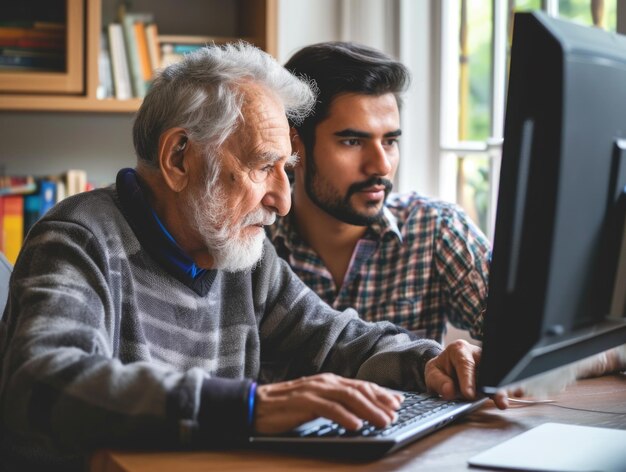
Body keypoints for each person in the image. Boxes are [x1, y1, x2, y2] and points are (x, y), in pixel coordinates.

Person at [0, 42, 507, 471]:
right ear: (180, 158)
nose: (283, 200)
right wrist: (250, 408)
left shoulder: (240, 254)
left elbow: (338, 341)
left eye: (287, 169)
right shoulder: (77, 239)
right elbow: (45, 381)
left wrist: (430, 362)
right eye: (265, 166)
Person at [268, 41, 489, 342]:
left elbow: (526, 336)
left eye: (389, 141)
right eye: (353, 142)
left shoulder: (436, 229)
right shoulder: (253, 245)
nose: (381, 166)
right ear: (295, 146)